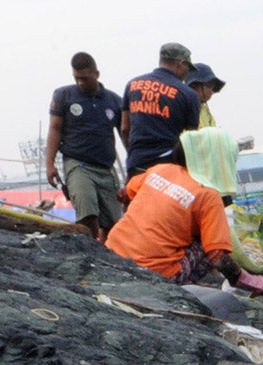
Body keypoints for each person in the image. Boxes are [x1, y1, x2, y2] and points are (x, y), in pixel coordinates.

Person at [107, 133, 263, 294]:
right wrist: (251, 281)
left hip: (112, 253)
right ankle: (181, 290)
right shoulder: (208, 195)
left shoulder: (161, 169)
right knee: (209, 243)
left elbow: (123, 194)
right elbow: (218, 257)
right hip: (155, 273)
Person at [45, 53, 127, 238]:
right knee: (88, 214)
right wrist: (49, 164)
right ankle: (88, 256)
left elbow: (125, 133)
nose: (80, 83)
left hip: (105, 169)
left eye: (84, 78)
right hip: (78, 164)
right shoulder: (64, 95)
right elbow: (55, 128)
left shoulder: (114, 101)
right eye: (77, 78)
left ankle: (109, 260)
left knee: (114, 225)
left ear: (96, 74)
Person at [122, 42, 199, 179]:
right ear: (180, 64)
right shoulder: (188, 94)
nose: (188, 73)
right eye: (188, 67)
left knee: (139, 200)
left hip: (137, 165)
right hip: (167, 166)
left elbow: (124, 128)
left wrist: (133, 153)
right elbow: (191, 140)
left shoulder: (133, 85)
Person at [185, 63, 225, 128]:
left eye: (213, 88)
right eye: (208, 86)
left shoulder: (206, 113)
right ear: (194, 85)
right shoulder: (182, 109)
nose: (211, 92)